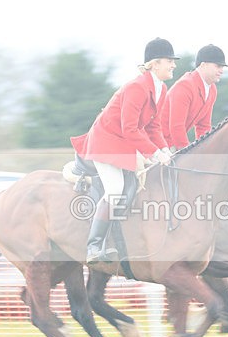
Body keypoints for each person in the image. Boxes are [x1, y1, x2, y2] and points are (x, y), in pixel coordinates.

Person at [70, 37, 176, 263]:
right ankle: (94, 246)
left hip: (125, 143)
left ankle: (117, 239)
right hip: (106, 141)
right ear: (154, 64)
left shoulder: (162, 89)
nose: (173, 65)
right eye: (169, 61)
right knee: (116, 190)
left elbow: (153, 126)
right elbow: (129, 128)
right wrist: (155, 154)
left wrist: (166, 150)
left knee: (136, 187)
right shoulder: (137, 87)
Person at [160, 44, 228, 151]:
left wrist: (205, 150)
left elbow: (203, 126)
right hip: (157, 144)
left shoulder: (212, 89)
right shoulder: (184, 86)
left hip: (171, 145)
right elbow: (176, 126)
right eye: (218, 66)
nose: (222, 70)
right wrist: (187, 153)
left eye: (223, 67)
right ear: (203, 65)